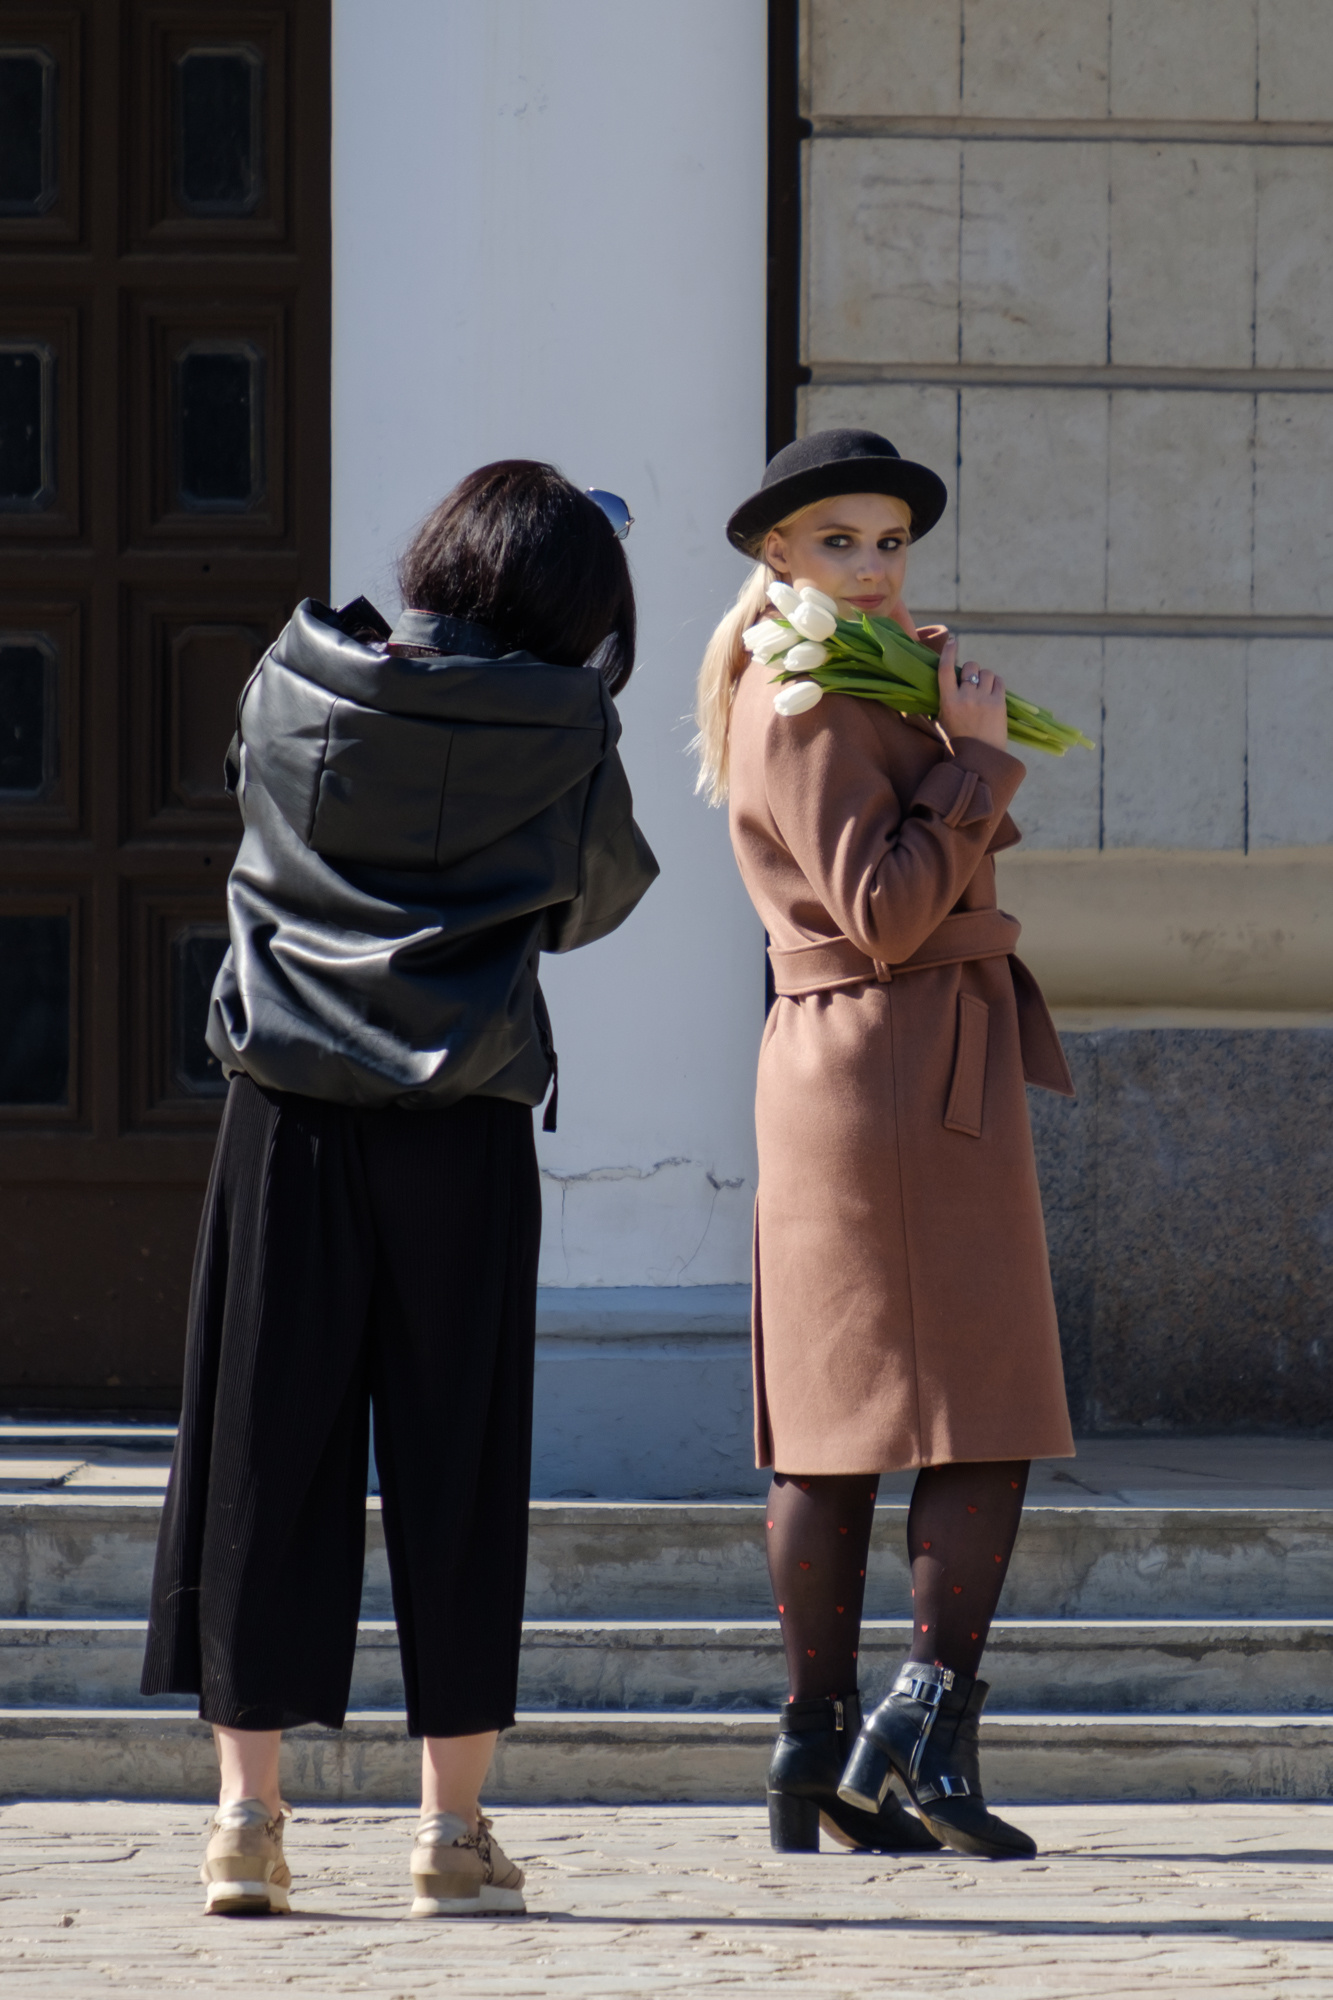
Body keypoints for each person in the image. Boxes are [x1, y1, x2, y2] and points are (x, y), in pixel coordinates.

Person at [141, 461, 658, 1917]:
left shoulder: (293, 677)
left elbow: (251, 819)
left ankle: (247, 1820)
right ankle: (449, 1833)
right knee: (457, 1463)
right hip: (464, 1115)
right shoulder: (570, 724)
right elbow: (593, 901)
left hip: (285, 1111)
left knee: (256, 1458)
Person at [695, 429, 1075, 1860]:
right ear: (774, 555)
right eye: (836, 541)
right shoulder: (794, 697)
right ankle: (918, 1734)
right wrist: (973, 759)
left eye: (888, 540)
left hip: (874, 1054)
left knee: (839, 1418)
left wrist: (934, 725)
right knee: (979, 1411)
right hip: (896, 1049)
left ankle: (818, 1748)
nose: (870, 565)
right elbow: (890, 910)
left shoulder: (827, 681)